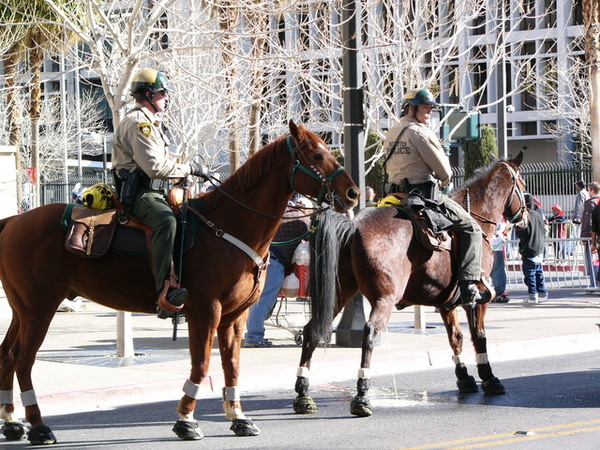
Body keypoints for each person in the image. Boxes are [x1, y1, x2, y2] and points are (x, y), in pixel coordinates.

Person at [112, 69, 210, 319]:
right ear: (148, 94)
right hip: (140, 194)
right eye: (163, 93)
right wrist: (190, 168)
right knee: (166, 221)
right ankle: (164, 293)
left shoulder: (152, 123)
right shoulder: (139, 124)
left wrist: (183, 173)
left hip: (155, 190)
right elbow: (154, 167)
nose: (167, 98)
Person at [382, 88, 483, 305]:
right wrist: (445, 182)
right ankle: (468, 287)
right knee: (471, 228)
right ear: (411, 108)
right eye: (425, 107)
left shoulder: (391, 131)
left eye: (430, 108)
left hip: (393, 195)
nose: (429, 111)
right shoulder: (419, 132)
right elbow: (444, 171)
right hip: (422, 195)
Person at [244, 202, 311, 347]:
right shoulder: (303, 220)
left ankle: (252, 332)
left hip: (262, 259)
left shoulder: (277, 214)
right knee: (263, 301)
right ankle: (254, 337)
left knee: (257, 299)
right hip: (276, 264)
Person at [515, 193, 548, 304]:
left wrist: (517, 229)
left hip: (529, 248)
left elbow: (523, 233)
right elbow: (544, 230)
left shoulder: (526, 216)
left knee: (530, 274)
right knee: (538, 272)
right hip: (539, 247)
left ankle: (532, 295)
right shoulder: (538, 214)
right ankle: (542, 293)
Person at [581, 182, 600, 289]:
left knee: (593, 261)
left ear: (592, 190)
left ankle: (594, 284)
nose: (588, 192)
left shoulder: (590, 203)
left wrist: (584, 236)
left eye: (588, 190)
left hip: (592, 237)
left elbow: (588, 222)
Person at [490, 217, 512, 303]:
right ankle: (498, 292)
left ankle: (497, 291)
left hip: (494, 244)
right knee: (498, 270)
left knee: (496, 270)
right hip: (495, 245)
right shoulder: (499, 217)